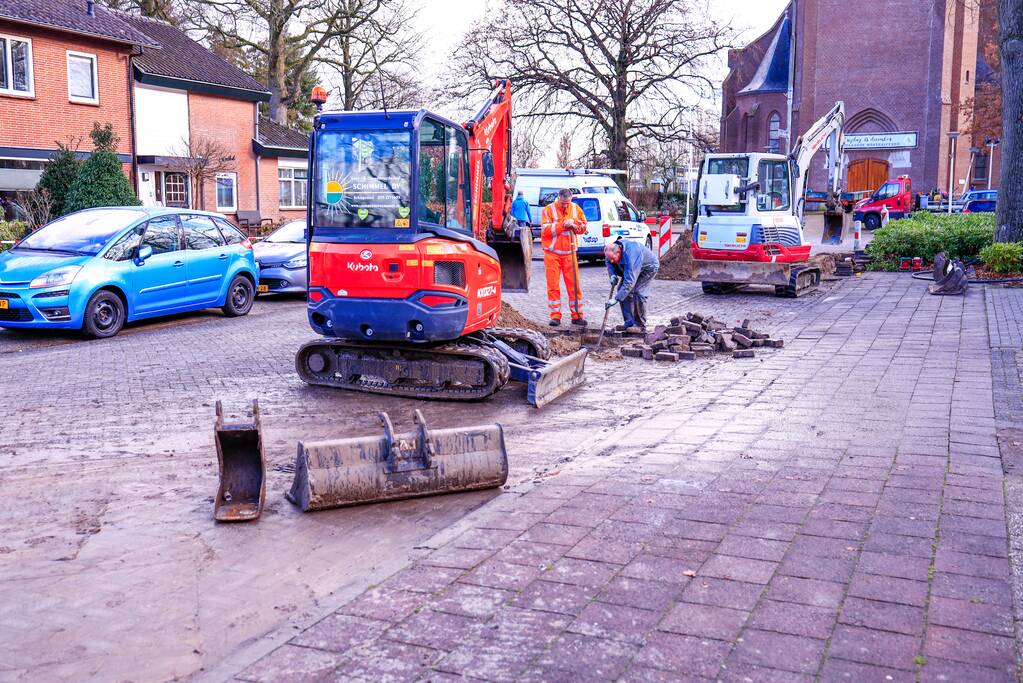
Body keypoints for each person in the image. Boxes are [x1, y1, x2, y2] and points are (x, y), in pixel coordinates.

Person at [540, 188, 587, 327]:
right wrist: (563, 224)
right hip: (552, 253)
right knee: (553, 286)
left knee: (574, 286)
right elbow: (545, 231)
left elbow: (583, 227)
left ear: (571, 199)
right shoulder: (548, 210)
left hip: (570, 254)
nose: (566, 205)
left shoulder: (576, 209)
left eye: (568, 203)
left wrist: (574, 223)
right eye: (563, 203)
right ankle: (555, 316)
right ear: (558, 199)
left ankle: (577, 316)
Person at [604, 238, 659, 332]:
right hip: (631, 268)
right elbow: (609, 263)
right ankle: (629, 323)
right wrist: (612, 274)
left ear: (619, 252)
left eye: (613, 258)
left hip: (648, 268)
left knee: (638, 292)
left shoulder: (631, 255)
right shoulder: (611, 251)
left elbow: (630, 282)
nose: (612, 261)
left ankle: (640, 325)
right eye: (610, 258)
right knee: (621, 289)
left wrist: (617, 298)